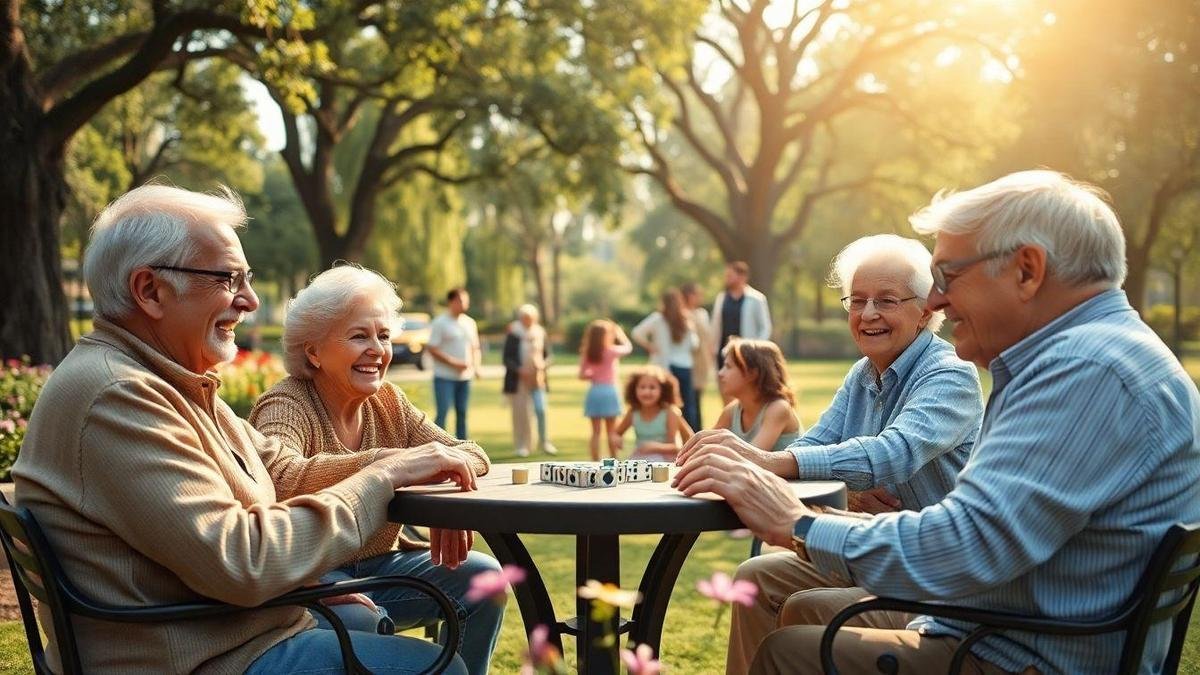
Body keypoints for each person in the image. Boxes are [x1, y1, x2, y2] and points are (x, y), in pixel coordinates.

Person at [675, 170, 1200, 674]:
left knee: (791, 650)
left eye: (947, 276)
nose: (935, 300)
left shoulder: (1084, 371)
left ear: (1027, 270)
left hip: (1013, 649)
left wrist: (799, 523)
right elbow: (983, 533)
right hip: (1009, 625)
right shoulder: (1095, 355)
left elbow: (964, 546)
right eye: (857, 301)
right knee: (786, 599)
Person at [12, 184, 471, 674]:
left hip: (230, 634)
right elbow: (244, 562)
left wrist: (400, 465)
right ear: (149, 291)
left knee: (464, 592)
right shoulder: (118, 396)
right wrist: (382, 479)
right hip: (207, 656)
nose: (250, 300)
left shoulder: (170, 384)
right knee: (439, 667)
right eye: (228, 279)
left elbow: (278, 471)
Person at [681, 235, 984, 674]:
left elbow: (892, 453)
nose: (868, 314)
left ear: (925, 311)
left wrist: (767, 460)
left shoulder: (949, 374)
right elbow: (814, 444)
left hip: (928, 570)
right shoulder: (862, 374)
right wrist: (846, 489)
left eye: (886, 300)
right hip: (869, 545)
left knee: (806, 607)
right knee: (755, 576)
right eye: (857, 300)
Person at [249, 266, 502, 674]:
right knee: (360, 619)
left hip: (381, 565)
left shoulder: (388, 400)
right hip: (310, 575)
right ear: (313, 351)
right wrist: (390, 464)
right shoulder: (286, 404)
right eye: (358, 336)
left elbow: (468, 452)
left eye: (383, 336)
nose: (377, 349)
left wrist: (448, 502)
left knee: (483, 579)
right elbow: (279, 477)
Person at [713, 338, 802, 454]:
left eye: (728, 367)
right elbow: (700, 447)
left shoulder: (778, 409)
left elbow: (753, 457)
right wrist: (680, 419)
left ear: (752, 374)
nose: (720, 373)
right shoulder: (732, 411)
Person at [631, 289, 700, 432]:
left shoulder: (658, 319)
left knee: (665, 404)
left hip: (664, 367)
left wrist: (650, 346)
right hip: (684, 366)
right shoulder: (686, 319)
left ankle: (665, 433)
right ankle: (690, 437)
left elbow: (636, 332)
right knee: (687, 405)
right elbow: (695, 343)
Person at [710, 261, 772, 402]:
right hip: (724, 352)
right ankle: (730, 421)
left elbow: (765, 327)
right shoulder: (722, 298)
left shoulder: (756, 299)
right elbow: (715, 325)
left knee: (748, 391)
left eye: (730, 275)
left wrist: (756, 348)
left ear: (742, 277)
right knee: (725, 389)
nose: (727, 278)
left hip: (746, 354)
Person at [426, 287, 481, 440]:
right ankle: (436, 445)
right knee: (443, 412)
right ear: (451, 301)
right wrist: (454, 363)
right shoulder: (440, 323)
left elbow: (475, 347)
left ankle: (463, 448)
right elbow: (432, 349)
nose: (465, 304)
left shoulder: (470, 323)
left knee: (462, 413)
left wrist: (476, 367)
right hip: (444, 377)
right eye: (462, 301)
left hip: (464, 378)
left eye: (466, 301)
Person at [503, 304, 557, 457]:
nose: (527, 321)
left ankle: (544, 441)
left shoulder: (540, 332)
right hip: (518, 380)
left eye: (530, 318)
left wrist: (543, 365)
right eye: (525, 318)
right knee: (521, 414)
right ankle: (522, 445)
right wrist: (519, 369)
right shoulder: (513, 332)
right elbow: (507, 358)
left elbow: (548, 356)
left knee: (541, 410)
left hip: (538, 379)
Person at [612, 366, 695, 462]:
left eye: (652, 388)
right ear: (634, 390)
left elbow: (677, 446)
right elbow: (616, 433)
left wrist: (653, 447)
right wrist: (616, 438)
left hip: (664, 461)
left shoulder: (670, 412)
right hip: (639, 459)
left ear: (662, 390)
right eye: (642, 387)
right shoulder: (634, 412)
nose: (646, 392)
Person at [579, 319, 634, 461]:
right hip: (610, 391)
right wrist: (620, 334)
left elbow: (582, 375)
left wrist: (593, 375)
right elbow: (628, 347)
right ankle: (614, 459)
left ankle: (595, 461)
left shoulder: (588, 353)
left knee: (595, 432)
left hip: (595, 392)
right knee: (612, 430)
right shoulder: (611, 351)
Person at [680, 281, 714, 429]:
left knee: (697, 400)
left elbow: (708, 337)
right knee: (688, 401)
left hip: (702, 361)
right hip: (687, 361)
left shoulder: (702, 314)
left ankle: (697, 432)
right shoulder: (681, 314)